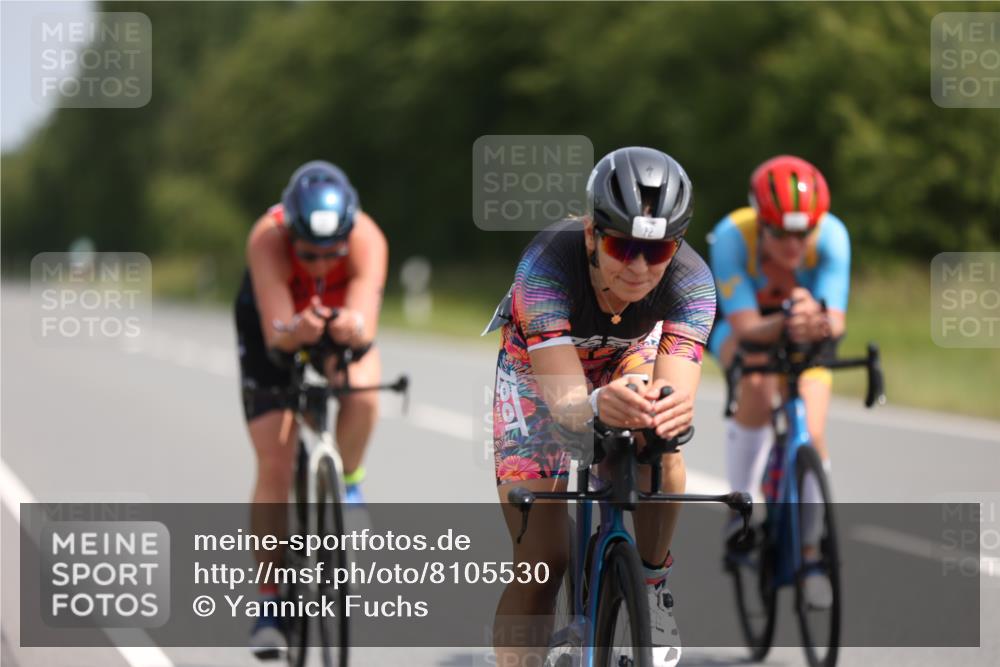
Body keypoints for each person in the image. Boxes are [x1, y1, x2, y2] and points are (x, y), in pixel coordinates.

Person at [487, 147, 716, 667]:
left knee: (659, 436)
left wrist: (667, 413)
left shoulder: (693, 283)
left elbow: (675, 391)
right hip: (539, 372)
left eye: (656, 253)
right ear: (592, 234)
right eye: (622, 246)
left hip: (626, 357)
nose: (637, 268)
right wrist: (594, 404)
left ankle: (652, 584)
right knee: (544, 562)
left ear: (675, 248)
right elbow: (567, 404)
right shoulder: (545, 264)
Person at [234, 160, 388, 658]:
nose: (320, 264)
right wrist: (296, 330)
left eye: (331, 254)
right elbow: (278, 328)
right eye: (308, 254)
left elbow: (365, 322)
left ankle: (348, 480)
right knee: (275, 464)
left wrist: (349, 329)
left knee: (363, 391)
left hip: (335, 324)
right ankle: (271, 602)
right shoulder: (267, 238)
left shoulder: (368, 237)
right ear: (291, 234)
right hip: (272, 330)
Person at [707, 154, 850, 606]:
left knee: (813, 424)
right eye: (781, 234)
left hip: (803, 326)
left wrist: (817, 321)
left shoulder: (832, 235)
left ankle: (809, 554)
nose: (794, 245)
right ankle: (739, 511)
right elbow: (747, 328)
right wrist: (792, 319)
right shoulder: (733, 236)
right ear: (761, 223)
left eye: (802, 234)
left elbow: (836, 320)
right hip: (742, 323)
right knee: (756, 382)